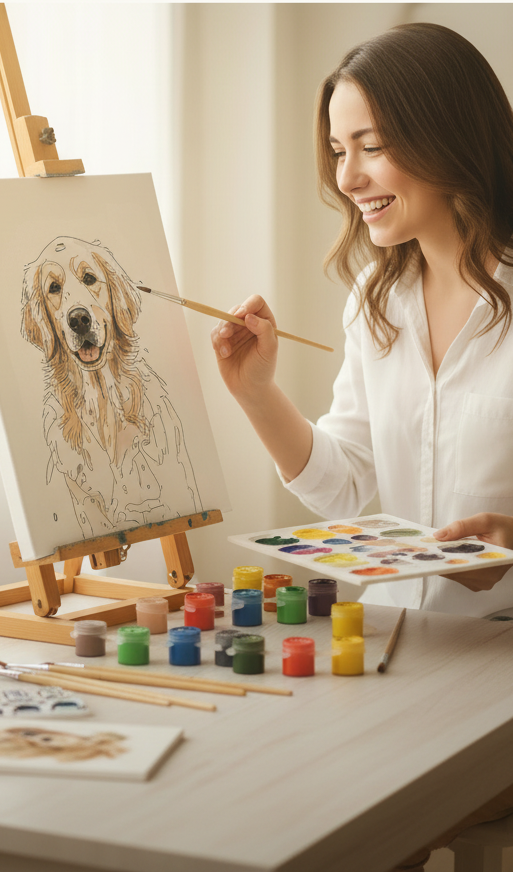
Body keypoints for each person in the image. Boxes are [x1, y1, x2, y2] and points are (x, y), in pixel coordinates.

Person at [210, 22, 513, 871]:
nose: (346, 179)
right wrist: (256, 392)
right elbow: (344, 484)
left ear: (447, 135)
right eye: (339, 151)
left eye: (370, 147)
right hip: (401, 650)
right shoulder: (376, 299)